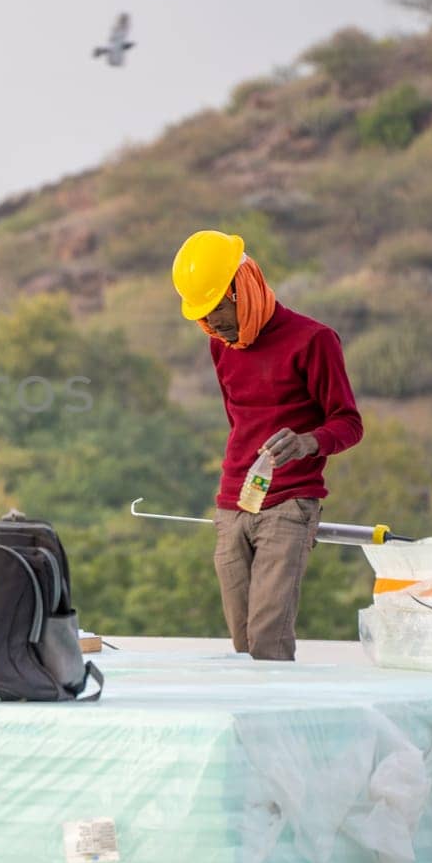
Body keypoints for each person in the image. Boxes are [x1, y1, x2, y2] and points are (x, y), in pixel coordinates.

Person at [171, 230, 362, 661]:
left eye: (217, 309)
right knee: (242, 645)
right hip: (233, 504)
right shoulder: (222, 348)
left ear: (243, 290)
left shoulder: (314, 340)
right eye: (201, 316)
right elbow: (239, 420)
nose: (212, 324)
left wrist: (308, 442)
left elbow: (349, 424)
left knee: (268, 642)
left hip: (289, 504)